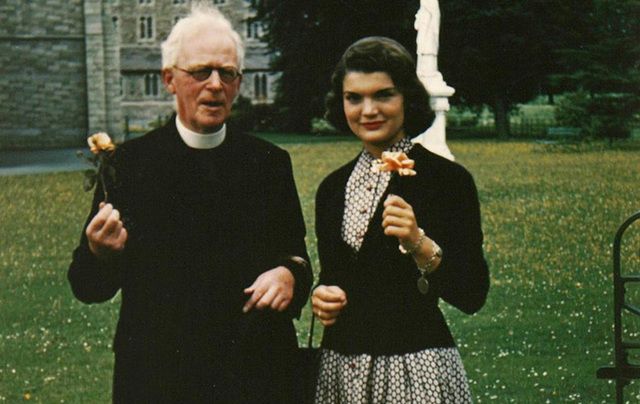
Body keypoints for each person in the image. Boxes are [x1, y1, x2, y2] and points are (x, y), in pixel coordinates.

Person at [68, 4, 312, 403]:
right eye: (201, 72)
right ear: (169, 79)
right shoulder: (127, 166)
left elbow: (297, 259)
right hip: (159, 376)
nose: (215, 84)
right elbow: (87, 286)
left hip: (254, 374)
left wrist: (288, 275)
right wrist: (99, 253)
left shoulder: (269, 164)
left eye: (227, 73)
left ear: (238, 82)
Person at [311, 36, 489, 403]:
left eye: (383, 95)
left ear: (407, 97)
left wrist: (418, 243)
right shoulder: (331, 189)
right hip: (343, 372)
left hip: (416, 370)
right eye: (354, 98)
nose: (368, 110)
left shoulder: (447, 180)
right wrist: (323, 294)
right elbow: (334, 274)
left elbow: (472, 293)